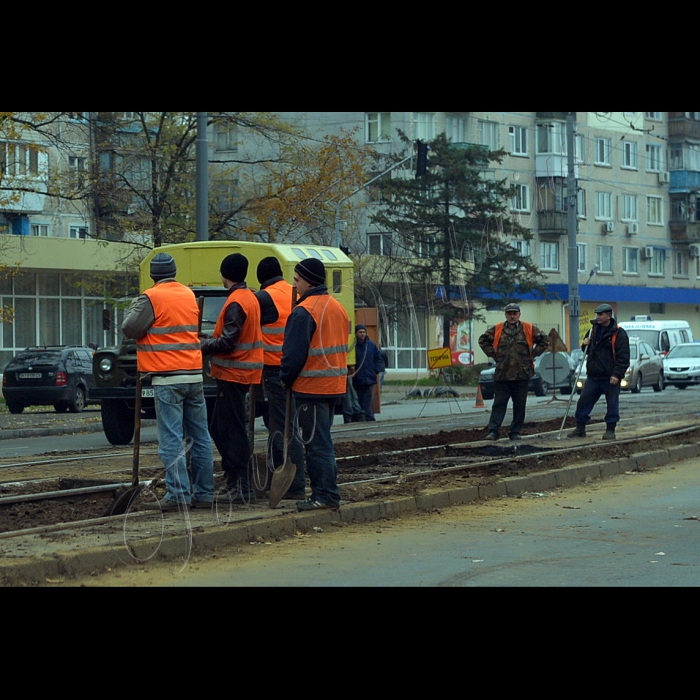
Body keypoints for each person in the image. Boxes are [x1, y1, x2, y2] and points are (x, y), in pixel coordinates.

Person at [122, 252, 214, 511]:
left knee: (172, 439)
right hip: (194, 375)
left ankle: (179, 495)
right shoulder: (188, 295)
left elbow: (129, 328)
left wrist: (134, 307)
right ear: (174, 272)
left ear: (153, 275)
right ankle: (205, 493)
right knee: (201, 436)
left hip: (167, 378)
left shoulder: (150, 297)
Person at [280, 258, 348, 511]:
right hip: (334, 385)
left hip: (311, 387)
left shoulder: (304, 311)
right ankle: (325, 493)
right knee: (322, 440)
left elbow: (293, 354)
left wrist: (285, 378)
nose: (294, 284)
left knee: (317, 444)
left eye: (297, 279)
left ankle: (325, 495)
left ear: (308, 280)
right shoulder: (335, 306)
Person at [200, 253, 264, 502]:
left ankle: (240, 485)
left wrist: (202, 345)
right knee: (221, 427)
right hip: (240, 372)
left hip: (233, 373)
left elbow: (229, 341)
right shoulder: (249, 298)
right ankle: (237, 481)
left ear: (224, 274)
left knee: (231, 430)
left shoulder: (236, 302)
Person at [254, 256, 307, 500]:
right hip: (296, 369)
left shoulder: (264, 297)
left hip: (273, 372)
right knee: (289, 426)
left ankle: (292, 485)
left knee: (281, 428)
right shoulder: (294, 293)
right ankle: (285, 477)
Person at [478, 302, 549, 442]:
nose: (512, 316)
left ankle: (515, 431)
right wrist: (493, 354)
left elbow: (545, 340)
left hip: (521, 375)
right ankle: (493, 431)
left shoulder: (528, 328)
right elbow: (483, 340)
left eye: (514, 313)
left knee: (519, 405)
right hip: (502, 374)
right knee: (499, 404)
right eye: (509, 313)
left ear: (519, 315)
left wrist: (533, 354)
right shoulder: (497, 329)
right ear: (505, 315)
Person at [568, 303, 630, 440]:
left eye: (601, 314)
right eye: (597, 314)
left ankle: (610, 429)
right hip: (594, 376)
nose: (598, 317)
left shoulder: (618, 333)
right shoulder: (592, 331)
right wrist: (585, 344)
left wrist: (617, 374)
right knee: (584, 401)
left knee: (612, 403)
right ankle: (580, 428)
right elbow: (586, 351)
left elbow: (624, 357)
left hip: (610, 376)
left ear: (609, 315)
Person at [352, 324, 384, 422]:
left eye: (364, 332)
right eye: (360, 332)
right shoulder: (353, 347)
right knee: (358, 399)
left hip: (370, 378)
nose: (362, 334)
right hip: (357, 378)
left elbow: (378, 359)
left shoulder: (371, 345)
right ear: (356, 334)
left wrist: (376, 370)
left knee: (368, 400)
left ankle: (368, 418)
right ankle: (361, 417)